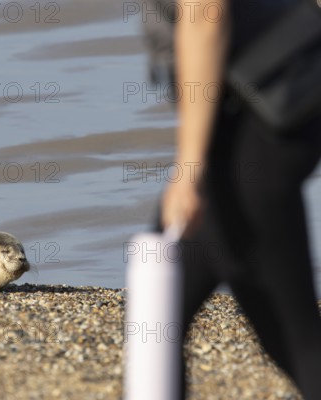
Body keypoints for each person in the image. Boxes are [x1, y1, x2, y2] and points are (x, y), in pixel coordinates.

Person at [156, 0, 321, 398]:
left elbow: (205, 16)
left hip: (265, 122)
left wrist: (189, 169)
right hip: (247, 121)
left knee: (295, 342)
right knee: (158, 322)